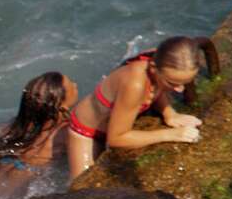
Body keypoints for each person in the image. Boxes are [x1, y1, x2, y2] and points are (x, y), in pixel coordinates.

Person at [65, 36, 207, 178]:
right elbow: (116, 139)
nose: (180, 90)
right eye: (172, 83)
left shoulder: (162, 58)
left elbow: (155, 88)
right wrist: (170, 134)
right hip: (87, 132)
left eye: (186, 82)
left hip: (111, 122)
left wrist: (169, 113)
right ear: (153, 68)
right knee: (82, 189)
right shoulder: (134, 85)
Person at [0, 71, 77, 172]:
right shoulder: (66, 130)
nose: (75, 84)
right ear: (61, 106)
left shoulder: (14, 127)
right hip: (27, 177)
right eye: (71, 84)